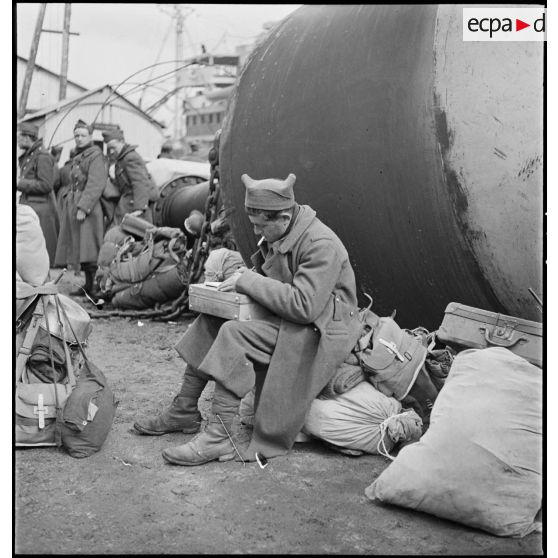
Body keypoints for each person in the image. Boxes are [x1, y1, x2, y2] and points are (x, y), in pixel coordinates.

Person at [134, 173, 363, 466]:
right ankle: (184, 410)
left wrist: (249, 282)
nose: (257, 232)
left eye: (260, 225)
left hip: (323, 330)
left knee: (234, 334)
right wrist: (239, 283)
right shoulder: (284, 230)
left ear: (282, 216)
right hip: (295, 319)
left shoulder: (320, 244)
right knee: (214, 319)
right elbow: (272, 280)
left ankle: (219, 438)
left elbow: (305, 306)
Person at [55, 120, 107, 300]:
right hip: (75, 204)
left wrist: (84, 208)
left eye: (83, 135)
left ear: (91, 137)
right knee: (80, 248)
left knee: (90, 247)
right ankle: (87, 283)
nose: (79, 138)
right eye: (76, 135)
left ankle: (94, 286)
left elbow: (96, 184)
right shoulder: (81, 155)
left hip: (88, 209)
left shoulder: (95, 156)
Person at [17, 122, 59, 266]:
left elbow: (46, 185)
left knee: (38, 255)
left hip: (39, 210)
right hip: (31, 207)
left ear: (27, 137)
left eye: (19, 137)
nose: (17, 140)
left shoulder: (42, 156)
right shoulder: (31, 155)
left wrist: (19, 183)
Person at [102, 128, 156, 226]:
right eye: (110, 148)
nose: (112, 151)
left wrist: (139, 208)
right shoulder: (121, 159)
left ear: (122, 142)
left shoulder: (130, 158)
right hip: (127, 199)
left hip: (133, 202)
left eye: (114, 147)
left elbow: (140, 183)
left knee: (117, 232)